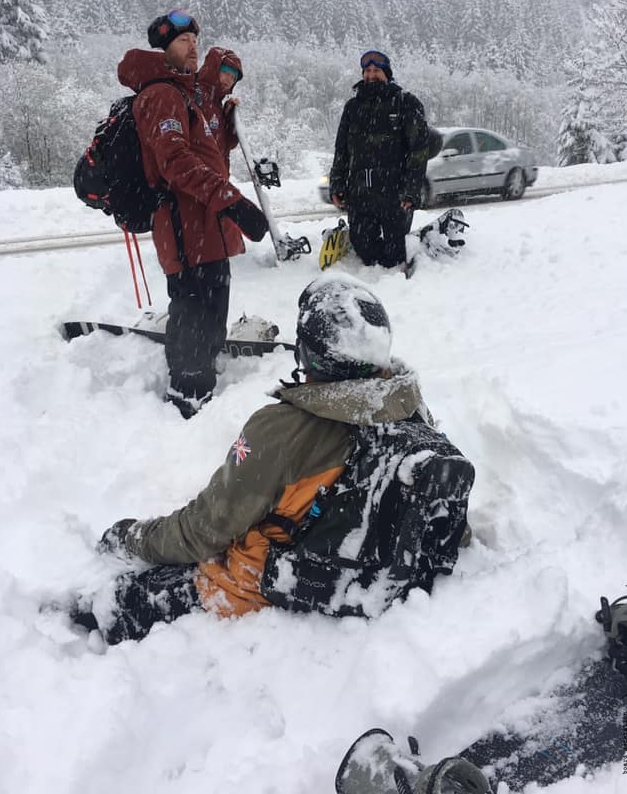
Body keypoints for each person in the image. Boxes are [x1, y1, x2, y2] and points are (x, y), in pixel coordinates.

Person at [70, 276, 467, 645]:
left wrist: (133, 537)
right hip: (370, 580)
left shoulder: (280, 430)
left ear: (309, 353)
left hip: (262, 592)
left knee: (116, 603)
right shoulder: (409, 408)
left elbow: (203, 531)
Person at [117, 11, 268, 419]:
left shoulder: (186, 95)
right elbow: (175, 162)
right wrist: (233, 201)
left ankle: (200, 386)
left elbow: (206, 153)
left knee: (210, 310)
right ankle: (187, 397)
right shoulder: (162, 94)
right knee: (194, 313)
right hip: (185, 226)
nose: (193, 46)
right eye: (183, 41)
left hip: (205, 224)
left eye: (195, 40)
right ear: (164, 48)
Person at [330, 50, 431, 268]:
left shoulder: (406, 103)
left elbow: (419, 151)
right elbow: (341, 151)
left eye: (376, 70)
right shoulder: (352, 107)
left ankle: (402, 294)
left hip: (394, 195)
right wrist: (336, 185)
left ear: (387, 73)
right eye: (367, 70)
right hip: (359, 195)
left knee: (394, 257)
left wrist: (411, 189)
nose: (371, 75)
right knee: (364, 253)